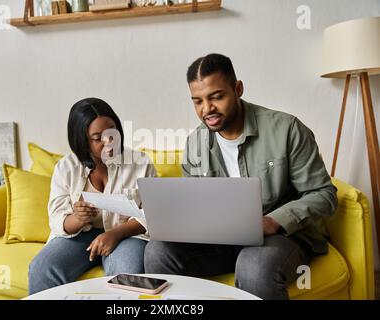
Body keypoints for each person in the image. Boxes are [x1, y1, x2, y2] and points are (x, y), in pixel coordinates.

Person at [144, 53, 338, 300]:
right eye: (198, 101)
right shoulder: (195, 143)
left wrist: (274, 220)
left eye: (217, 97)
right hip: (220, 242)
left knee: (253, 265)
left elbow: (324, 195)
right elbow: (193, 204)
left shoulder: (287, 129)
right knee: (157, 251)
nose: (207, 109)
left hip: (281, 238)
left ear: (238, 89)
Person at [29, 97, 156, 295]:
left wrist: (115, 234)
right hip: (81, 236)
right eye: (98, 138)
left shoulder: (140, 163)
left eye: (112, 132)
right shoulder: (66, 168)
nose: (109, 143)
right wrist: (77, 219)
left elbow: (152, 213)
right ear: (82, 140)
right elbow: (56, 219)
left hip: (126, 235)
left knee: (128, 271)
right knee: (41, 268)